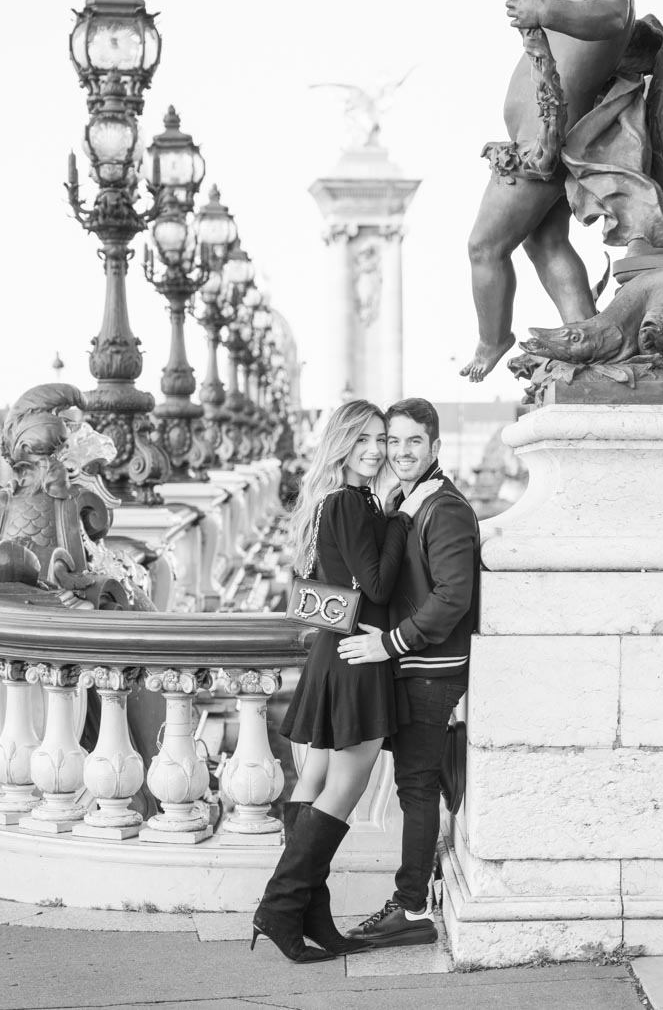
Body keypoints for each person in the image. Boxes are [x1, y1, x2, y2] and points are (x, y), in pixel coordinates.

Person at [251, 398, 442, 964]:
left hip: (336, 653)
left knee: (312, 778)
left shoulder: (329, 501)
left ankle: (309, 914)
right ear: (341, 442)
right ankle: (279, 907)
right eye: (364, 439)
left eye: (381, 439)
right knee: (345, 788)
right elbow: (379, 588)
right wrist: (400, 519)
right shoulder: (353, 503)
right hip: (359, 660)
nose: (377, 450)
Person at [461, 0, 663, 383]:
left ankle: (493, 339)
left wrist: (543, 8)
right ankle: (584, 328)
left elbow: (611, 17)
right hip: (540, 145)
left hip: (537, 152)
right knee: (544, 244)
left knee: (483, 247)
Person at [338, 398, 480, 947]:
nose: (398, 452)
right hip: (416, 668)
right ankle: (417, 891)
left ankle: (411, 907)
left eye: (412, 442)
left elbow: (452, 598)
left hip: (429, 671)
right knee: (418, 782)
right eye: (392, 442)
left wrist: (390, 645)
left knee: (415, 787)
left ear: (435, 447)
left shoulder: (442, 508)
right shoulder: (409, 501)